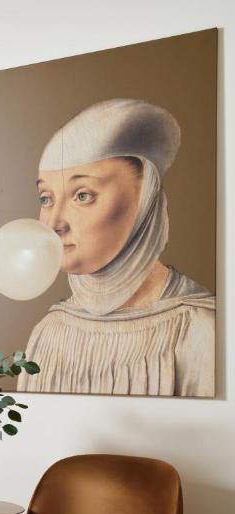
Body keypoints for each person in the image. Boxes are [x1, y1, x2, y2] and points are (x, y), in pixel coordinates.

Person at [16, 98, 214, 397]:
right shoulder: (49, 332)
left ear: (144, 198)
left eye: (82, 195)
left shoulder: (201, 329)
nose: (54, 224)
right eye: (46, 198)